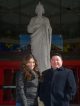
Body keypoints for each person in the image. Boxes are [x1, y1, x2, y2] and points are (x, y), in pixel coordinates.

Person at [27, 2, 52, 73]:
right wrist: (36, 26)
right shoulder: (33, 19)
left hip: (44, 40)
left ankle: (45, 69)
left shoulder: (46, 19)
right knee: (35, 53)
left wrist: (47, 28)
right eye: (38, 9)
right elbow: (29, 29)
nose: (39, 10)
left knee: (44, 54)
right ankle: (36, 69)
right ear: (36, 10)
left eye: (41, 9)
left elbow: (50, 29)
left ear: (43, 10)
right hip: (35, 39)